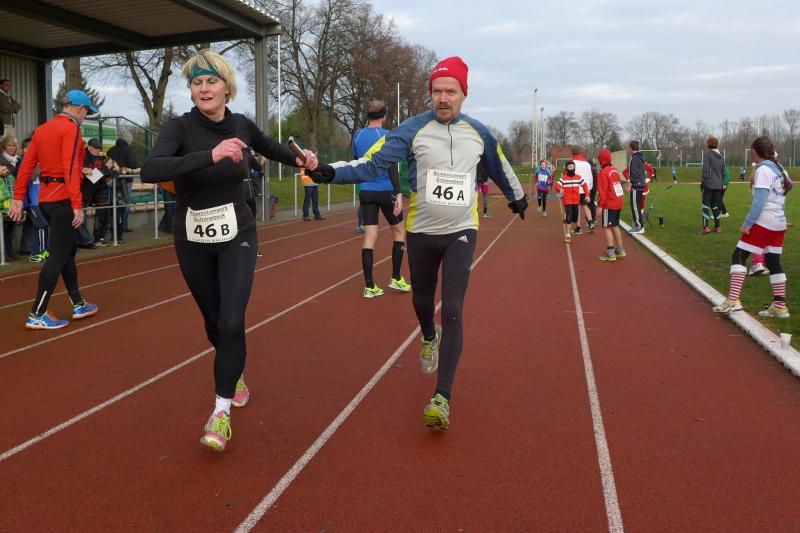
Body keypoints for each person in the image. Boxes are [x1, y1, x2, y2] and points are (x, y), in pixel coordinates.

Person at [309, 56, 527, 430]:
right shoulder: (412, 129)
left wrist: (517, 196)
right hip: (422, 231)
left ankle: (442, 397)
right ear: (431, 93)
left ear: (463, 94)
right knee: (422, 301)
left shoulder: (478, 133)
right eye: (437, 91)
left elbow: (499, 164)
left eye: (450, 91)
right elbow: (371, 163)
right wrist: (328, 172)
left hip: (461, 230)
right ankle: (428, 335)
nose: (443, 98)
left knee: (453, 308)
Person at [140, 49, 318, 451]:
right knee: (215, 323)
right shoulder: (179, 129)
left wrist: (301, 158)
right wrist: (211, 155)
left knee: (233, 321)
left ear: (227, 88)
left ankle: (220, 413)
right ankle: (232, 368)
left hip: (238, 234)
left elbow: (271, 147)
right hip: (193, 239)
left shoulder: (241, 125)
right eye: (197, 82)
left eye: (211, 81)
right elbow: (152, 169)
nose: (204, 88)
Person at [9, 90, 99, 329]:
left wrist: (18, 197)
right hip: (63, 201)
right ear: (80, 109)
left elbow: (27, 165)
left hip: (45, 200)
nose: (86, 116)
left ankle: (78, 303)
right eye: (87, 112)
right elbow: (70, 168)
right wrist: (77, 204)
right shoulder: (71, 129)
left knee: (67, 251)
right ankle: (37, 314)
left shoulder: (42, 129)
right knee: (58, 255)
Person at [713, 136, 792, 318]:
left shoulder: (763, 170)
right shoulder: (781, 170)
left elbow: (760, 201)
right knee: (773, 261)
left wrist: (747, 224)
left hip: (764, 221)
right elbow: (781, 199)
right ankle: (780, 307)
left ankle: (733, 300)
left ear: (754, 152)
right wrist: (783, 217)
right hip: (778, 221)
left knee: (739, 255)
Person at [350, 100, 410, 297]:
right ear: (384, 116)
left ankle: (369, 286)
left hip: (366, 190)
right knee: (399, 231)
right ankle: (396, 278)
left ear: (367, 115)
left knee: (369, 237)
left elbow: (356, 162)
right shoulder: (387, 136)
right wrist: (398, 193)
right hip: (386, 191)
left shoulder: (357, 135)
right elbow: (391, 165)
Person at [82, 138, 120, 246]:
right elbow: (92, 177)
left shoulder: (102, 157)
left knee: (103, 214)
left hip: (100, 189)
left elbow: (115, 170)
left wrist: (111, 175)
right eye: (96, 148)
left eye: (99, 148)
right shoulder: (84, 157)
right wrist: (105, 170)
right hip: (85, 191)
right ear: (89, 147)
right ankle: (87, 240)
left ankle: (96, 239)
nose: (98, 150)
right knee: (81, 218)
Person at [17, 137, 48, 262]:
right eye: (31, 147)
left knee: (37, 226)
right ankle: (41, 251)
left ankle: (35, 253)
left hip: (40, 199)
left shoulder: (36, 161)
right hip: (32, 202)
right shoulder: (23, 162)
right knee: (42, 225)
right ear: (24, 150)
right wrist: (41, 163)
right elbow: (32, 176)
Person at [595, 149, 626, 261]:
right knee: (615, 226)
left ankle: (611, 253)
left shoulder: (603, 173)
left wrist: (600, 206)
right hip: (618, 202)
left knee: (607, 227)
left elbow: (602, 192)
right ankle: (620, 250)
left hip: (609, 203)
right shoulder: (614, 170)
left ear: (601, 160)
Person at [107, 136, 139, 233]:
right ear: (128, 141)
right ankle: (123, 225)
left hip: (112, 179)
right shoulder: (129, 150)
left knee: (113, 203)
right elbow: (134, 165)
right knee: (126, 202)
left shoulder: (110, 150)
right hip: (126, 179)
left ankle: (112, 225)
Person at [554, 160, 588, 243]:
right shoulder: (563, 178)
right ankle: (568, 235)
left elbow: (585, 185)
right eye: (569, 167)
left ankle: (565, 216)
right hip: (567, 201)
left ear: (574, 167)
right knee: (569, 218)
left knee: (575, 219)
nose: (571, 168)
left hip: (576, 201)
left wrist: (587, 195)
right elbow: (557, 186)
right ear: (567, 168)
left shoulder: (578, 177)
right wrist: (560, 189)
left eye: (572, 166)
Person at [700, 136, 725, 234]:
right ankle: (718, 227)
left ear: (708, 144)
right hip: (718, 185)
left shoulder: (707, 154)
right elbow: (722, 170)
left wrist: (703, 181)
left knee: (705, 205)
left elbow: (705, 170)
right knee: (714, 205)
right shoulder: (721, 155)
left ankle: (705, 228)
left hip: (708, 184)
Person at [571, 146, 595, 233]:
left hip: (575, 189)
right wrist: (589, 188)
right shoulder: (587, 163)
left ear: (572, 153)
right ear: (580, 152)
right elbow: (590, 177)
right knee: (585, 206)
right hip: (585, 188)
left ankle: (578, 228)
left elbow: (568, 176)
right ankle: (591, 222)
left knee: (577, 208)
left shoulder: (572, 163)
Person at [626, 141, 646, 233]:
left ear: (631, 148)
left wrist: (630, 183)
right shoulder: (640, 157)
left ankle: (639, 226)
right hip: (641, 184)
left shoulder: (634, 158)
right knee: (637, 205)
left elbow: (634, 173)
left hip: (636, 185)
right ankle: (638, 224)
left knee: (635, 206)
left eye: (628, 147)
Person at [301, 149, 324, 221]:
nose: (316, 155)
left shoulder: (314, 160)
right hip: (308, 182)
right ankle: (306, 215)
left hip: (314, 182)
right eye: (316, 154)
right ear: (313, 153)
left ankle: (317, 214)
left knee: (315, 199)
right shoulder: (306, 159)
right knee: (307, 199)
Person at [0, 163, 16, 260]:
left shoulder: (10, 178)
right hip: (2, 211)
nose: (5, 171)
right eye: (3, 169)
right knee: (3, 234)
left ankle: (9, 253)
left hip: (10, 210)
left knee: (9, 234)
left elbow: (14, 192)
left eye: (6, 169)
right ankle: (4, 255)